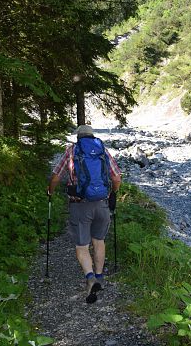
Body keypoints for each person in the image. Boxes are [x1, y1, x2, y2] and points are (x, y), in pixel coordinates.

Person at [47, 125, 121, 304]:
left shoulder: (72, 151)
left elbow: (56, 176)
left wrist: (50, 191)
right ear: (92, 136)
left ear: (78, 137)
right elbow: (117, 177)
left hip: (80, 206)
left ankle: (90, 277)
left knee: (82, 246)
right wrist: (113, 194)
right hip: (102, 204)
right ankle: (99, 275)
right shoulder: (102, 151)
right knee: (99, 241)